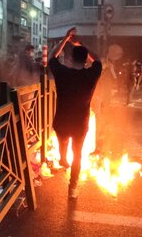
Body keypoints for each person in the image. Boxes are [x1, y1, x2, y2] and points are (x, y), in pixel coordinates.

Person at [49, 27, 102, 199]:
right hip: (80, 123)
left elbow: (52, 57)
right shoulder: (91, 74)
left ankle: (63, 158)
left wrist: (65, 39)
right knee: (77, 154)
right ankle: (73, 188)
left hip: (62, 121)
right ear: (86, 60)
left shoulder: (62, 72)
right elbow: (98, 59)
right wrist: (81, 44)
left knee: (63, 141)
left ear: (70, 59)